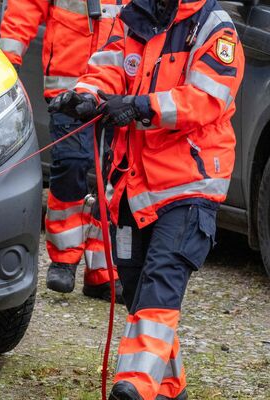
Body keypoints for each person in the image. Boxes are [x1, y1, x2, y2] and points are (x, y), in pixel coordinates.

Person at [49, 0, 244, 397]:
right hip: (133, 185)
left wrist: (139, 108)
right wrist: (87, 95)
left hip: (190, 185)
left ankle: (134, 383)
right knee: (139, 289)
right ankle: (171, 389)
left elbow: (205, 100)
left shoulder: (214, 27)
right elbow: (108, 64)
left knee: (160, 283)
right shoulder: (134, 17)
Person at [0, 0, 125, 301]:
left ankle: (103, 271)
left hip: (120, 91)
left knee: (115, 177)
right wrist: (8, 61)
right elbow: (25, 7)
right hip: (68, 88)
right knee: (71, 164)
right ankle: (64, 260)